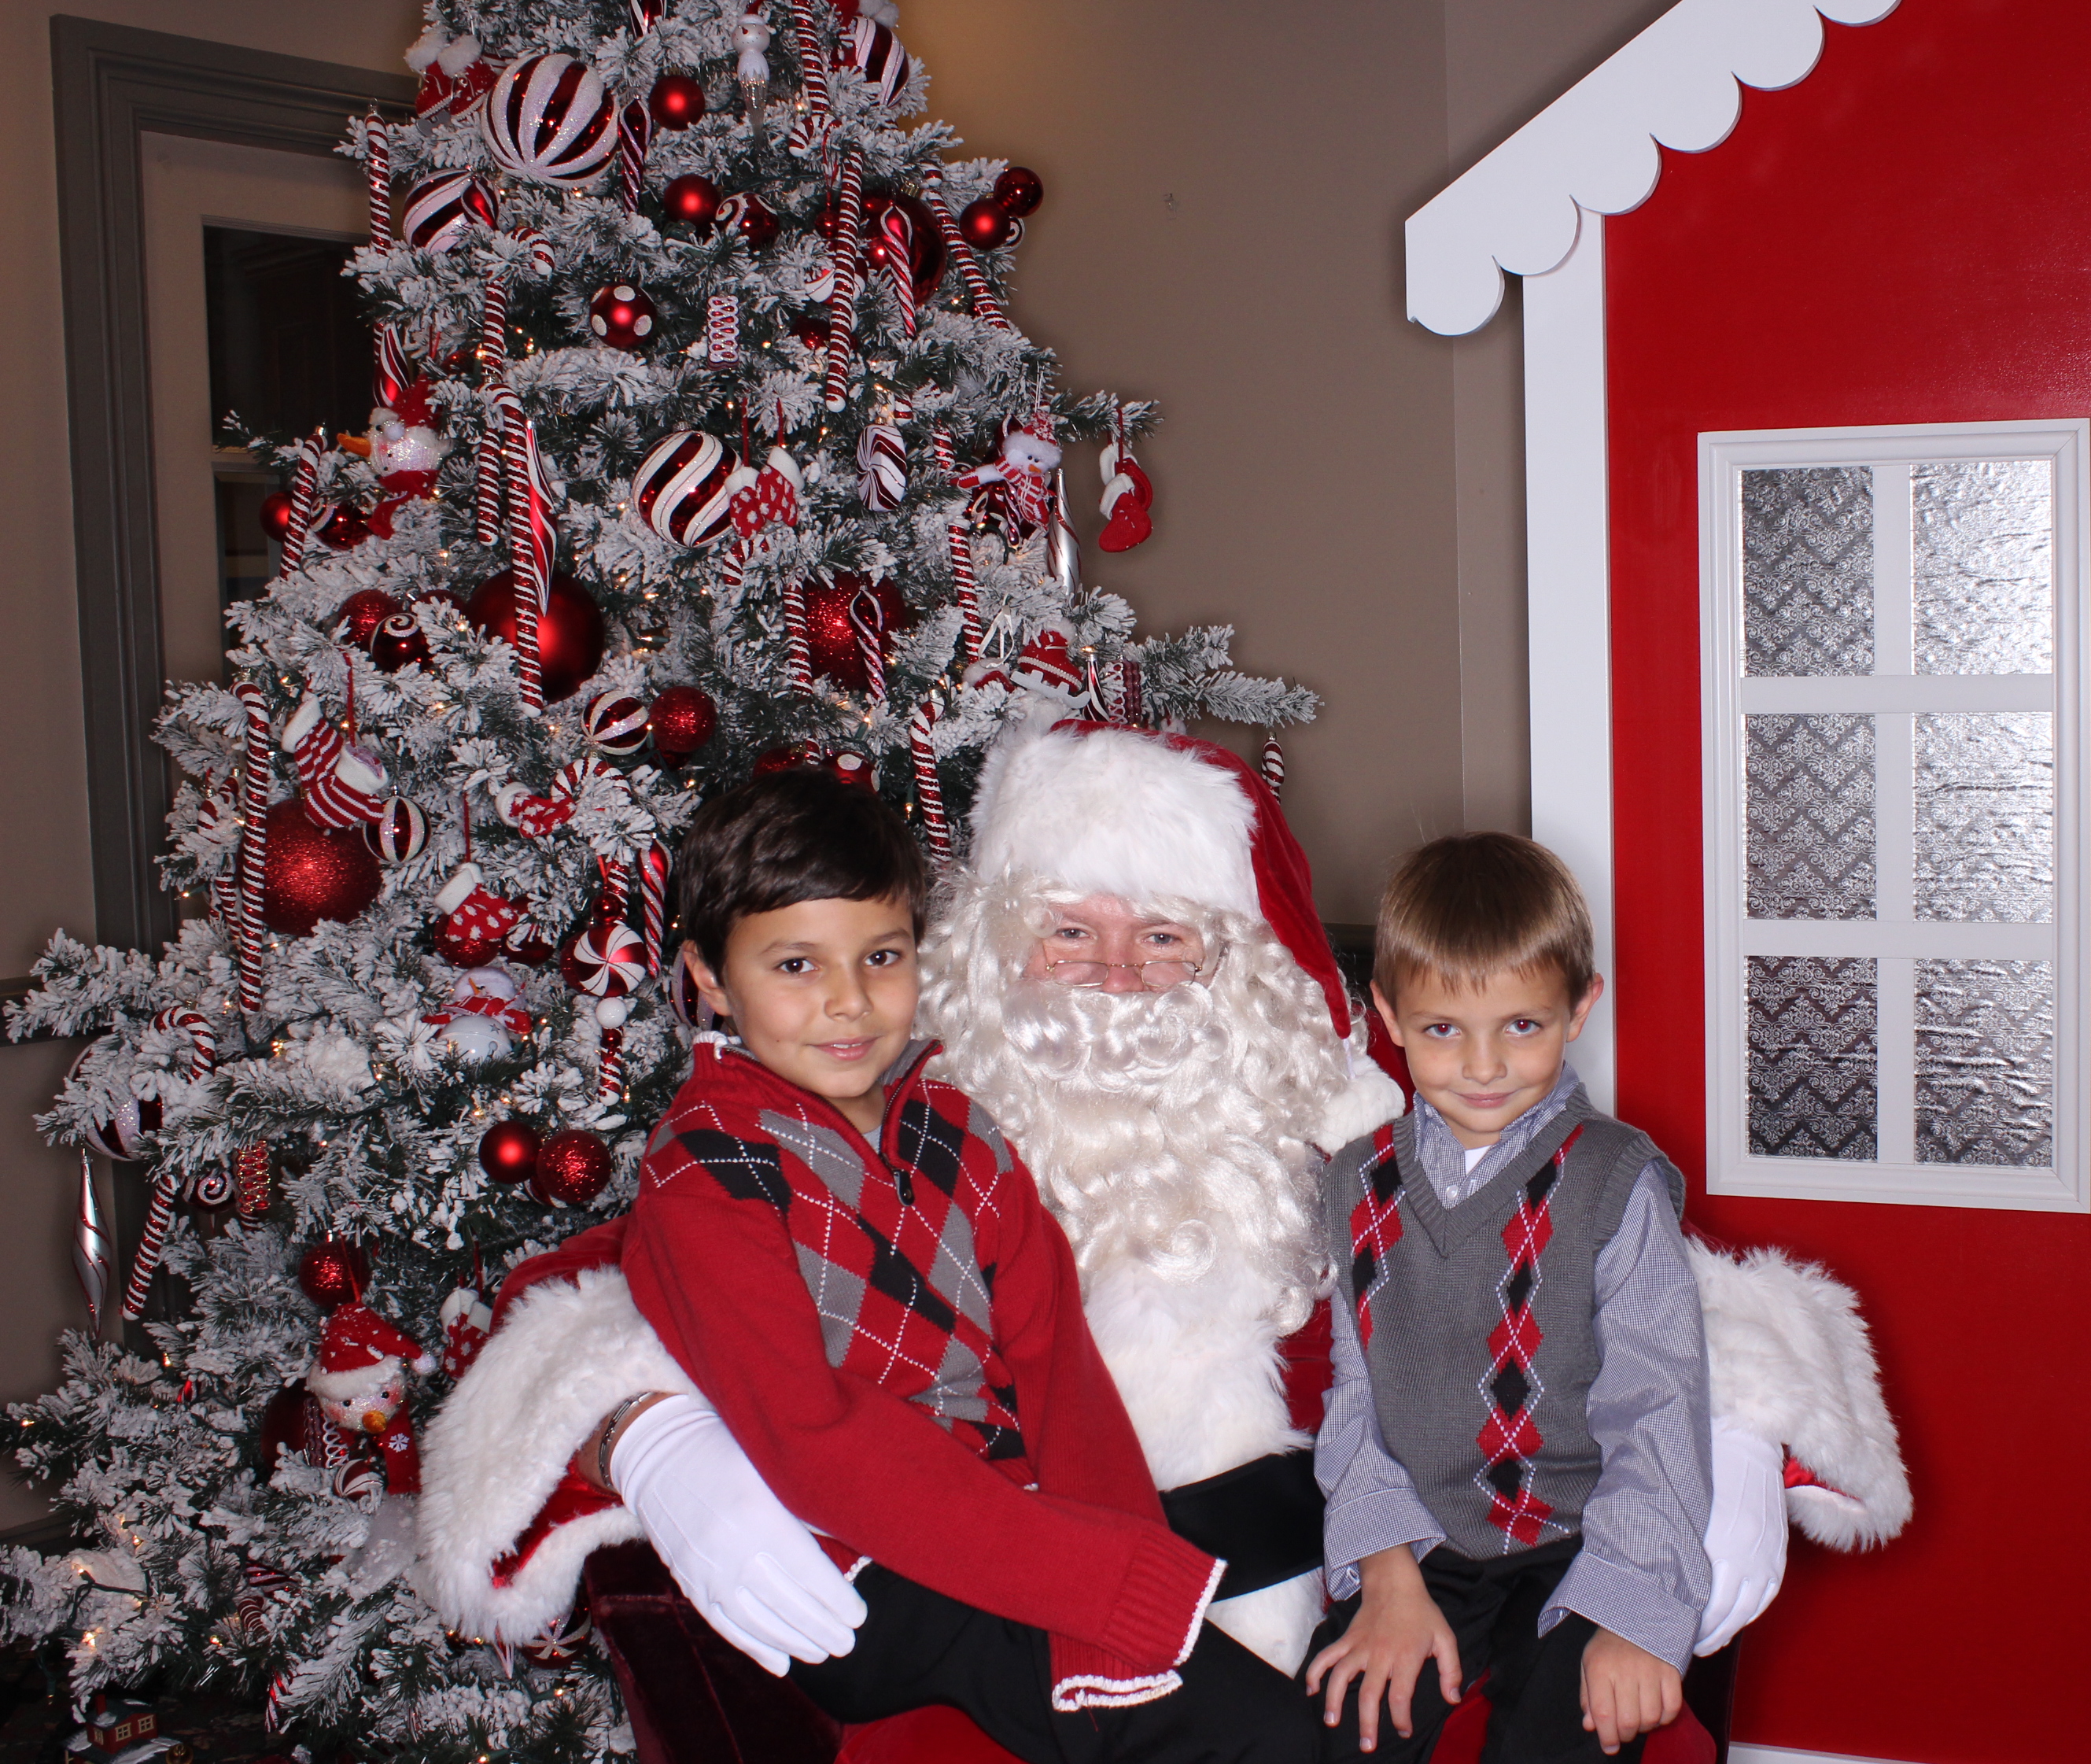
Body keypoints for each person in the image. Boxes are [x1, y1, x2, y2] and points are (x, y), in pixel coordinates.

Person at [417, 721, 1912, 1746]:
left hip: (1335, 1563)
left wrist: (1734, 1437)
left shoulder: (1342, 1118)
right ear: (995, 949)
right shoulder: (911, 1111)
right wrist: (647, 1436)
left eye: (1166, 937)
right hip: (1010, 1566)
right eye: (1070, 931)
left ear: (1240, 963)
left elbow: (1615, 1259)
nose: (1118, 977)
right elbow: (605, 1291)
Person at [592, 767, 1306, 1759]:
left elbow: (1058, 1368)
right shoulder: (707, 1176)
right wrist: (1097, 1583)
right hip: (863, 1576)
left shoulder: (959, 1130)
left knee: (1282, 1539)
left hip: (1011, 1522)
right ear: (709, 977)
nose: (849, 1003)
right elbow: (817, 1442)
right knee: (1261, 1735)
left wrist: (1120, 1552)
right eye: (795, 966)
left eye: (881, 957)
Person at [1304, 835, 1703, 1762]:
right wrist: (1387, 1571)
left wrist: (1634, 1613)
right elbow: (1355, 1397)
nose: (1484, 1066)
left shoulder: (1615, 1182)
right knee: (1342, 1725)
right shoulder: (1356, 1183)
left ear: (1580, 1007)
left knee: (1564, 1735)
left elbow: (1658, 1408)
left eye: (1521, 1025)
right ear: (1389, 1015)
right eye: (1443, 1029)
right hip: (1424, 1542)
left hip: (1579, 1537)